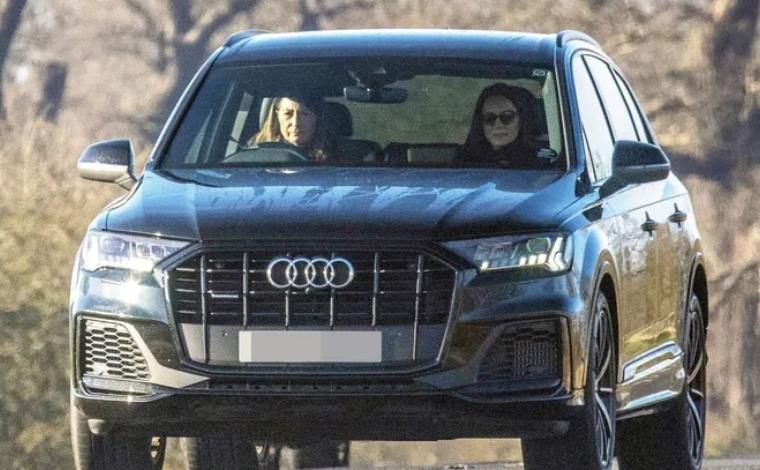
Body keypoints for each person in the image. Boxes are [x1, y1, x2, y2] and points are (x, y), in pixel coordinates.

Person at [454, 83, 542, 168]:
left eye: (507, 117)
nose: (497, 125)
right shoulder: (463, 163)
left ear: (524, 120)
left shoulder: (540, 163)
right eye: (489, 118)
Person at [249, 95, 335, 162]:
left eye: (304, 114)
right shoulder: (255, 152)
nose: (295, 123)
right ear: (277, 116)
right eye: (288, 114)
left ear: (317, 118)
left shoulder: (336, 158)